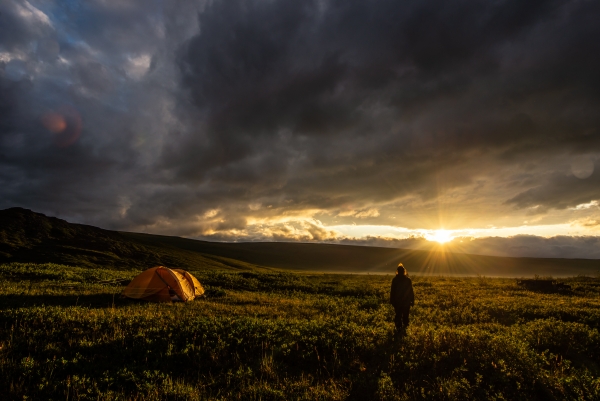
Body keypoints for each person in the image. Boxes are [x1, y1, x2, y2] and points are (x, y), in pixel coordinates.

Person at [390, 263, 414, 332]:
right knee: (405, 316)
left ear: (397, 271)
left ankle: (398, 329)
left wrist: (392, 300)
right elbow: (411, 291)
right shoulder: (408, 280)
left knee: (398, 315)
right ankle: (405, 330)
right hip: (406, 302)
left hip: (397, 301)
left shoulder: (395, 280)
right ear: (404, 271)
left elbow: (392, 291)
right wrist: (412, 300)